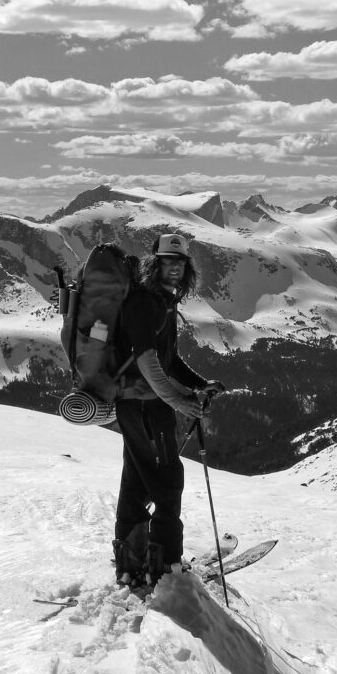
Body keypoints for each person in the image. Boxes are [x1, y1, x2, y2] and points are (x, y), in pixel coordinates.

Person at [112, 233, 224, 586]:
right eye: (167, 261)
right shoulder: (144, 303)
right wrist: (178, 401)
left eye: (180, 263)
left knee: (136, 479)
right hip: (143, 405)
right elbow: (146, 359)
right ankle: (165, 562)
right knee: (168, 479)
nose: (174, 268)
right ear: (154, 263)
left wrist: (197, 384)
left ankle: (132, 560)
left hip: (143, 403)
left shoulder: (163, 302)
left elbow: (168, 359)